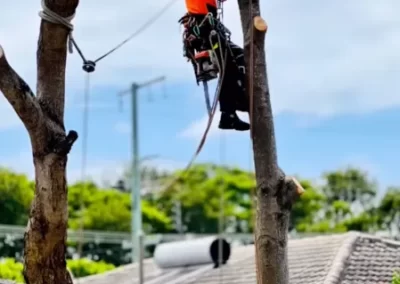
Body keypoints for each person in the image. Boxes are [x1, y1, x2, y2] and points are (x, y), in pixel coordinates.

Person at [180, 0, 250, 131]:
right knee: (228, 68)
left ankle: (235, 104)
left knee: (236, 59)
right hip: (204, 29)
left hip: (205, 28)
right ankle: (230, 111)